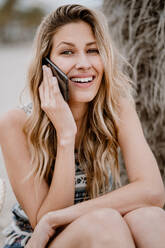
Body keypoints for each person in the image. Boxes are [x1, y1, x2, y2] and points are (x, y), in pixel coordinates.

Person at [0, 4, 165, 248]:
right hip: (36, 240)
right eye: (67, 52)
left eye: (93, 50)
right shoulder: (16, 123)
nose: (84, 63)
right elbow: (43, 225)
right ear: (46, 64)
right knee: (104, 223)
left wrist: (58, 217)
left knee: (150, 218)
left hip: (97, 228)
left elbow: (152, 191)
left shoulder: (118, 108)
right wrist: (66, 135)